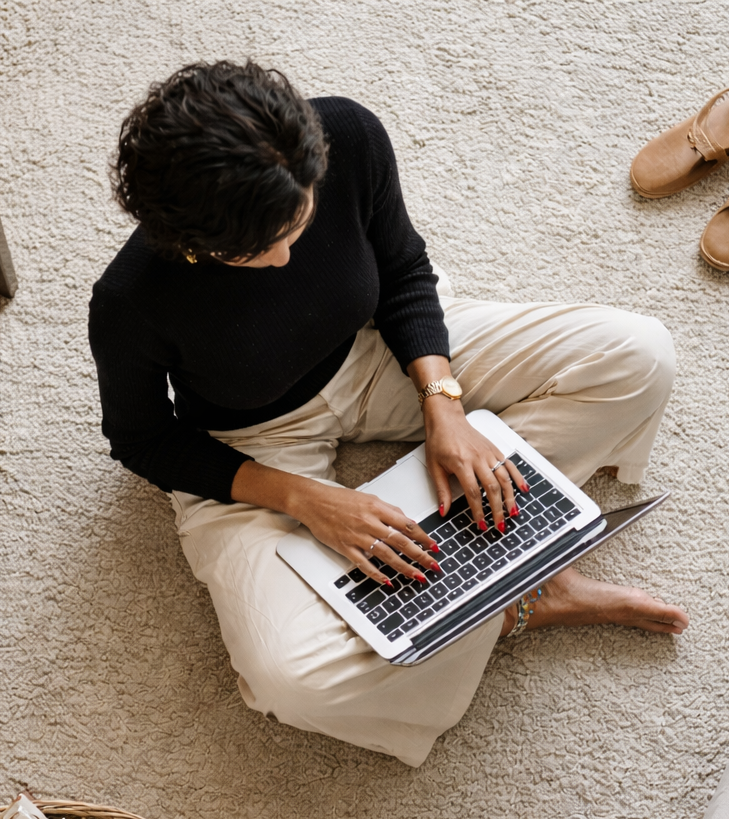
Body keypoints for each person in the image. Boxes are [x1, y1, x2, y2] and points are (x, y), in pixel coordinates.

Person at [90, 61, 689, 766]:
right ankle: (516, 597)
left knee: (639, 355)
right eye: (254, 252)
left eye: (299, 222)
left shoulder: (347, 132)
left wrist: (444, 402)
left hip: (376, 350)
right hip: (254, 437)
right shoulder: (131, 300)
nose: (286, 258)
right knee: (292, 681)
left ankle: (488, 552)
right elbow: (142, 440)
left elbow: (403, 267)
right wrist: (307, 500)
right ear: (190, 242)